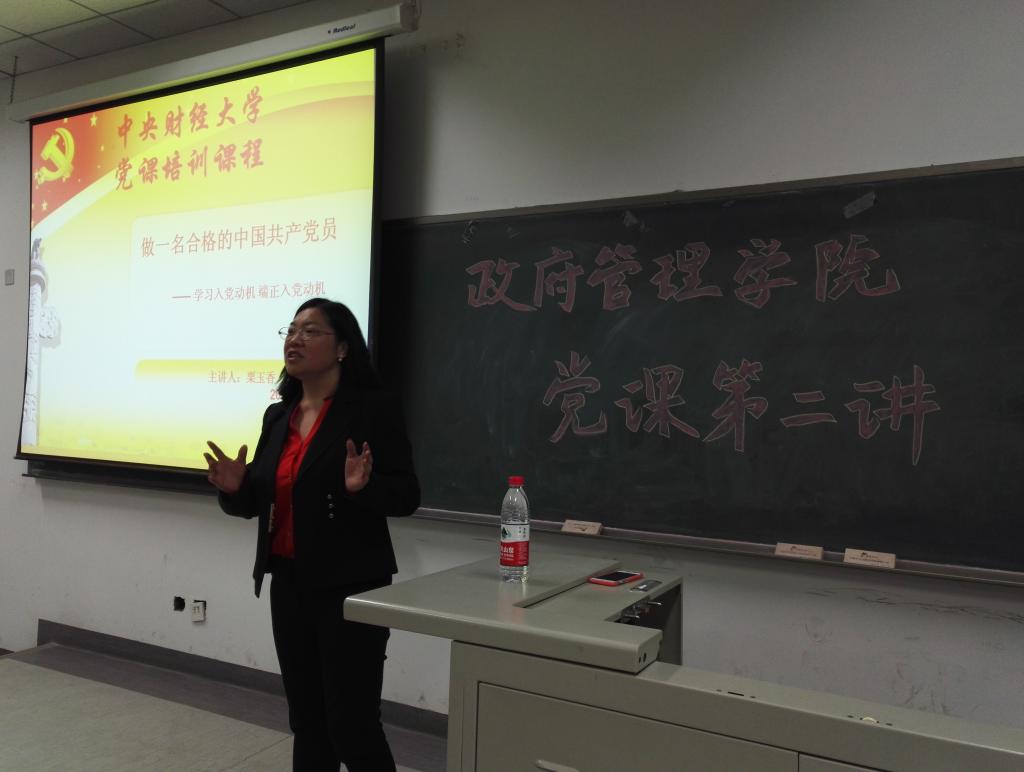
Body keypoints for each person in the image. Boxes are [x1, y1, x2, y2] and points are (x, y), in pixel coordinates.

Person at [205, 297, 420, 772]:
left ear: (342, 348)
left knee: (352, 725)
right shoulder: (278, 416)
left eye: (310, 331)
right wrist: (236, 490)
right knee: (307, 721)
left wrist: (362, 488)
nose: (294, 339)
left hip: (351, 585)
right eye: (291, 330)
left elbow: (407, 494)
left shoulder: (372, 409)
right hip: (289, 584)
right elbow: (262, 502)